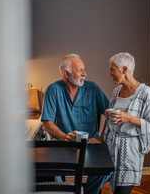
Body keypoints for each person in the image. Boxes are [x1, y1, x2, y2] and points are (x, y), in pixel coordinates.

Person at [41, 53, 111, 194]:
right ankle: (67, 191)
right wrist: (63, 137)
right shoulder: (53, 90)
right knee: (50, 174)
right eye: (80, 70)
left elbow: (111, 115)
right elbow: (47, 123)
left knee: (107, 170)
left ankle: (86, 192)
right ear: (66, 74)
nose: (84, 74)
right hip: (63, 145)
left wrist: (101, 138)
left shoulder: (93, 88)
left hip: (91, 145)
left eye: (84, 69)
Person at [104, 52, 150, 194]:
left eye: (112, 69)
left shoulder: (146, 93)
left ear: (125, 69)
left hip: (130, 153)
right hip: (111, 150)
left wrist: (129, 118)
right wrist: (108, 114)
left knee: (123, 191)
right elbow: (114, 119)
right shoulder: (116, 91)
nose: (110, 73)